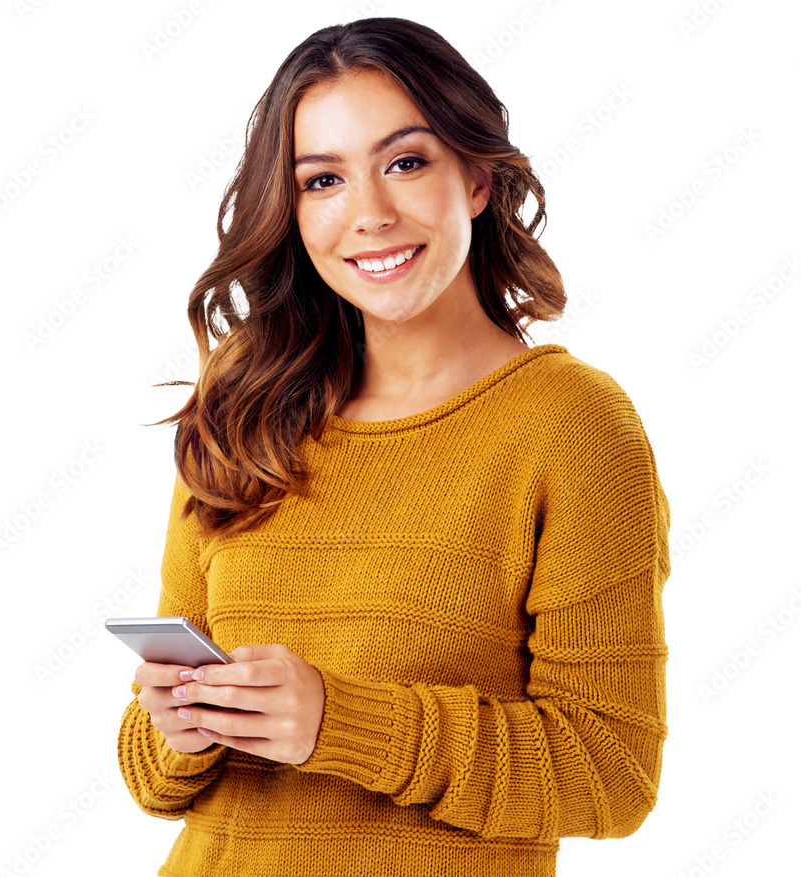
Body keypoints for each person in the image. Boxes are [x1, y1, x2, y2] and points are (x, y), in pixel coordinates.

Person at [117, 16, 671, 877]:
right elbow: (151, 780)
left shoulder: (573, 426)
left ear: (478, 179)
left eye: (405, 163)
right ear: (292, 210)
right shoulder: (245, 403)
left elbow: (612, 771)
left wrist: (337, 721)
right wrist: (175, 725)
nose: (369, 215)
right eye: (323, 179)